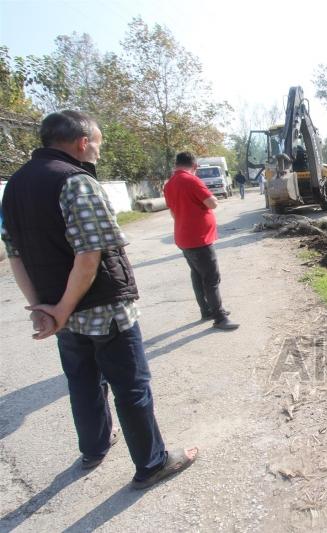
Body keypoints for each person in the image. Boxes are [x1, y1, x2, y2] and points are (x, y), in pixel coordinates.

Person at [0, 110, 198, 489]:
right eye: (99, 144)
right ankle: (152, 463)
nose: (99, 153)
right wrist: (58, 308)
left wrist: (45, 308)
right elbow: (90, 257)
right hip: (103, 309)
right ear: (82, 143)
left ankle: (93, 448)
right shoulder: (76, 182)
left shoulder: (15, 187)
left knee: (83, 381)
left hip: (62, 314)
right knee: (131, 385)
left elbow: (15, 254)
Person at [164, 151, 239, 331]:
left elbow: (173, 212)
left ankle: (206, 310)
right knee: (211, 278)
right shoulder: (192, 180)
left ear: (177, 164)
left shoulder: (169, 184)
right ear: (195, 166)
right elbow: (212, 203)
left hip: (183, 237)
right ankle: (219, 317)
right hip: (199, 239)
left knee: (197, 275)